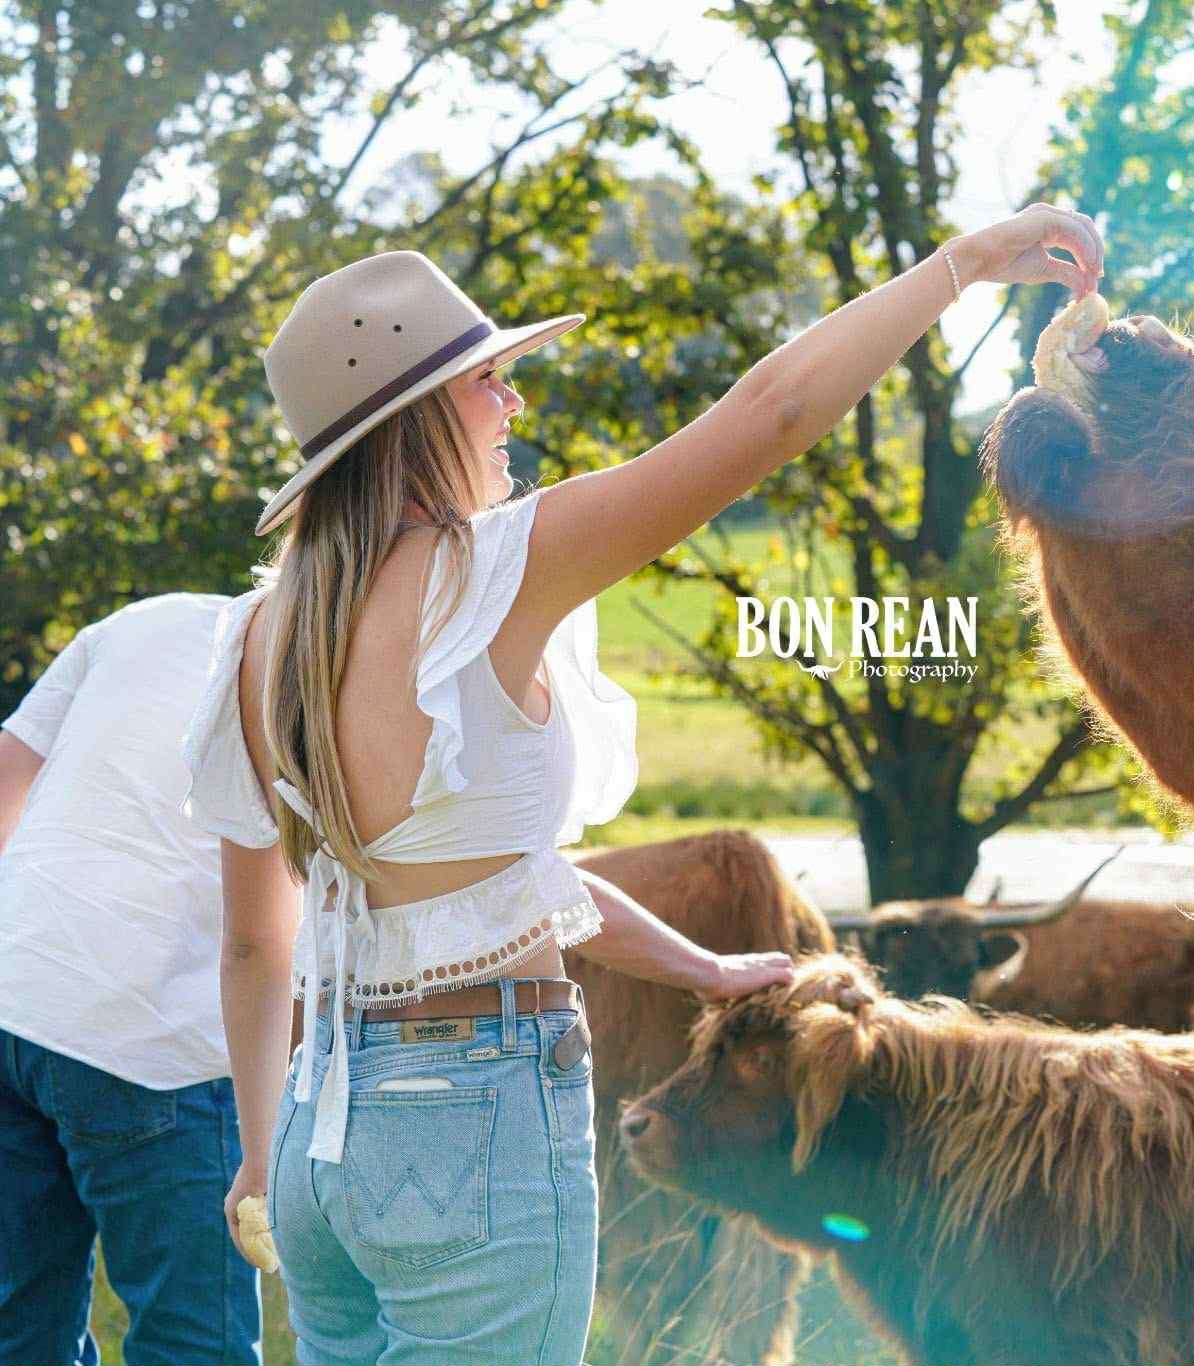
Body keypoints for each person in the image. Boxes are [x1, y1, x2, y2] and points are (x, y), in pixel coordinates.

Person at [187, 205, 1104, 1364]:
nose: (511, 401)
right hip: (475, 1115)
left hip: (322, 1138)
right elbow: (770, 416)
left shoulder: (259, 635)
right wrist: (962, 266)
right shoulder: (496, 571)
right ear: (415, 422)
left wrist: (704, 968)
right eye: (486, 382)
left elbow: (274, 944)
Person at [0, 594, 267, 1366]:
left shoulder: (142, 621)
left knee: (20, 1329)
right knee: (192, 1343)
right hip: (156, 1037)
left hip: (16, 995)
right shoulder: (332, 656)